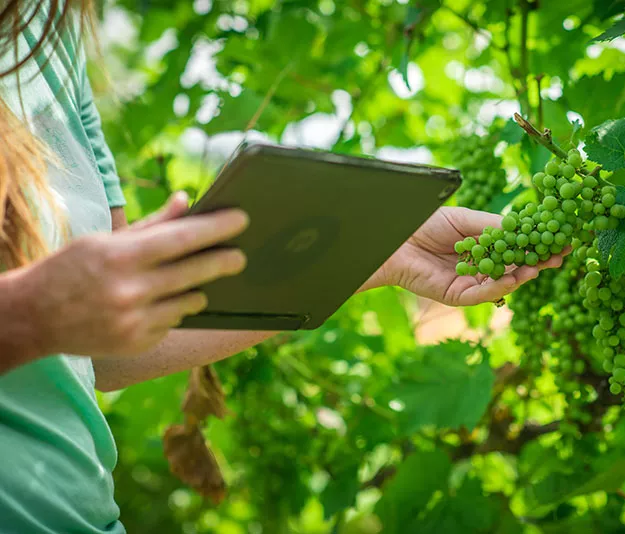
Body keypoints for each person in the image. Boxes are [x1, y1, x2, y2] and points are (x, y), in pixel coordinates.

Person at [0, 1, 566, 532]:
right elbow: (50, 315)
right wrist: (30, 311)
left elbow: (104, 343)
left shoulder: (51, 26)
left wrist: (379, 250)